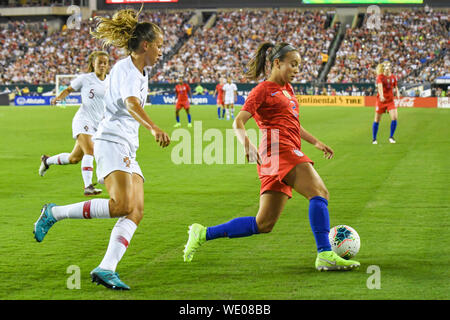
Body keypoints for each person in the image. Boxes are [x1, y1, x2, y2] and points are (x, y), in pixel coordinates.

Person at [183, 42, 360, 271]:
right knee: (319, 192)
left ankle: (203, 233)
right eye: (293, 65)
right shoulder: (263, 90)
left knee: (264, 223)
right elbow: (238, 121)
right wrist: (247, 145)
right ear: (277, 63)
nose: (297, 70)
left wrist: (316, 142)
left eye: (299, 66)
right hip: (277, 149)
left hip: (280, 153)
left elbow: (294, 125)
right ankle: (325, 253)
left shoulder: (288, 89)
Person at [33, 7, 170, 290]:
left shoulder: (140, 71)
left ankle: (106, 268)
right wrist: (154, 128)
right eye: (159, 45)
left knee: (136, 210)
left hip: (127, 145)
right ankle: (53, 213)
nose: (161, 50)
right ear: (145, 45)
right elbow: (131, 104)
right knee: (121, 205)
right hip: (111, 140)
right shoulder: (126, 70)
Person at [38, 51, 109, 196]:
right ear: (93, 64)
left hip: (97, 124)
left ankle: (47, 161)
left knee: (74, 158)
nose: (102, 65)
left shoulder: (110, 81)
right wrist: (59, 97)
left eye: (105, 63)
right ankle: (88, 186)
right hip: (83, 119)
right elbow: (69, 89)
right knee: (90, 151)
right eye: (99, 62)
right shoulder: (85, 78)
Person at [372, 61, 400, 144]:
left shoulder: (393, 77)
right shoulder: (380, 77)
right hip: (381, 101)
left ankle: (391, 137)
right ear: (383, 68)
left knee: (394, 117)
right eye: (386, 68)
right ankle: (374, 138)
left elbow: (395, 86)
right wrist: (381, 95)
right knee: (377, 120)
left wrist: (397, 92)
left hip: (390, 100)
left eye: (388, 67)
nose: (387, 69)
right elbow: (380, 87)